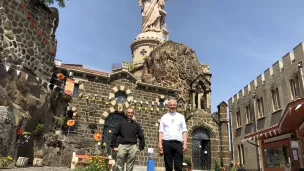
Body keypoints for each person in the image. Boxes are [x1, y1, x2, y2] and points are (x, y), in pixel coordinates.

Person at [158, 99, 188, 171]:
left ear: (176, 106)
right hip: (167, 143)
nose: (172, 106)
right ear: (168, 106)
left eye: (174, 105)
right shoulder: (164, 117)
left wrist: (185, 143)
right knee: (168, 166)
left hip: (178, 143)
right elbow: (161, 131)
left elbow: (184, 131)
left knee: (178, 166)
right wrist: (160, 144)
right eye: (171, 105)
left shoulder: (181, 117)